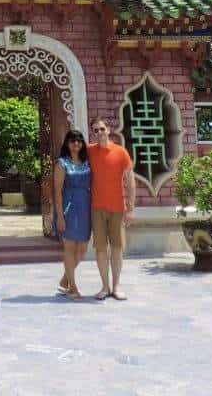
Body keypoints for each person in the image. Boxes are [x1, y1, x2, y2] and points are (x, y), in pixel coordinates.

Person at [88, 117, 136, 301]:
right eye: (95, 130)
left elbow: (130, 182)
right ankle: (104, 286)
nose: (99, 133)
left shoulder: (121, 152)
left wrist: (130, 208)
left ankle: (116, 286)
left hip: (117, 208)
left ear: (108, 130)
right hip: (96, 208)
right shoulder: (89, 151)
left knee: (116, 248)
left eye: (102, 129)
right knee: (100, 249)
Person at [53, 129, 91, 300]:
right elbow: (57, 191)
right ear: (67, 144)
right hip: (69, 206)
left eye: (79, 141)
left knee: (82, 248)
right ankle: (73, 287)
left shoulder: (87, 162)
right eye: (72, 141)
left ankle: (65, 278)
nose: (76, 144)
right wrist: (60, 216)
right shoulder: (62, 163)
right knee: (69, 248)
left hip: (85, 206)